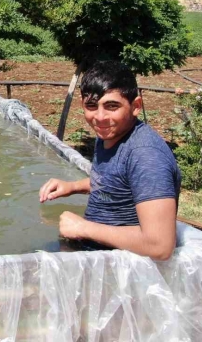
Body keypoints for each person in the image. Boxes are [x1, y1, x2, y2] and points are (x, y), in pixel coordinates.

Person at [39, 60, 182, 260]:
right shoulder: (110, 134)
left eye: (112, 106)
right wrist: (72, 187)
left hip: (116, 270)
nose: (100, 117)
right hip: (90, 253)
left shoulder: (146, 156)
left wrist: (83, 228)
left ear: (136, 106)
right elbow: (117, 181)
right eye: (91, 106)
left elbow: (160, 246)